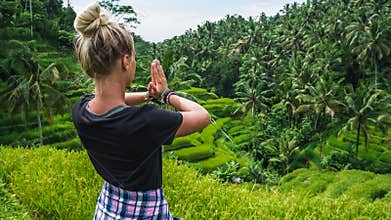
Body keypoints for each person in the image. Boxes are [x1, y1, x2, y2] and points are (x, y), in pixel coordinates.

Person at [71, 3, 210, 219]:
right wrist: (166, 94)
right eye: (133, 58)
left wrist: (148, 96)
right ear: (126, 61)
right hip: (145, 213)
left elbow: (112, 101)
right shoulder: (145, 121)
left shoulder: (81, 110)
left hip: (108, 208)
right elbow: (202, 116)